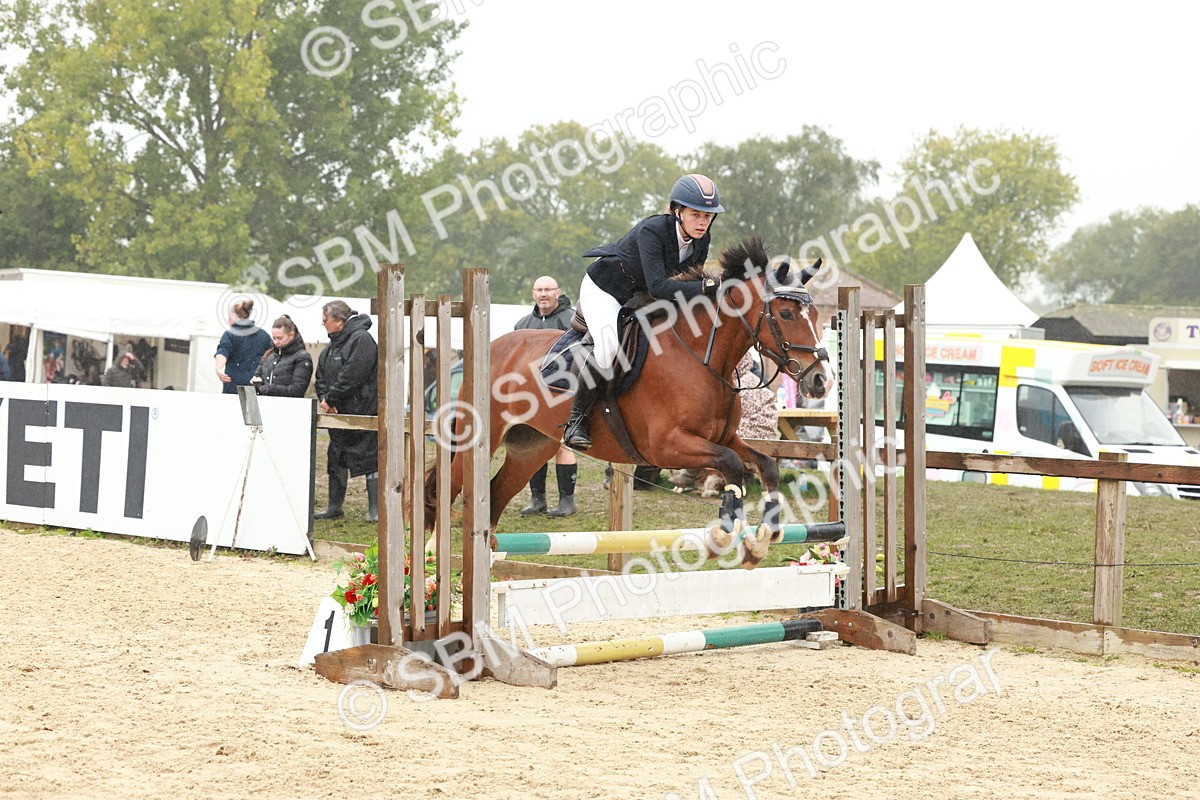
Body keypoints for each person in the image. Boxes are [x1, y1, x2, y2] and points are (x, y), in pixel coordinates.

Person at [564, 173, 723, 450]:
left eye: (708, 216)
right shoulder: (654, 230)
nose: (702, 222)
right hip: (606, 289)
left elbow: (686, 283)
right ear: (678, 211)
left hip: (640, 296)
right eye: (696, 214)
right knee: (609, 347)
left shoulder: (702, 239)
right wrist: (708, 287)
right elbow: (661, 286)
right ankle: (576, 420)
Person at [513, 276, 580, 517]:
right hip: (532, 396)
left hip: (565, 393)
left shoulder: (573, 320)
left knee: (561, 445)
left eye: (548, 290)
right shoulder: (523, 324)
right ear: (533, 293)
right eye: (539, 290)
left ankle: (566, 502)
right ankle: (537, 499)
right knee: (534, 443)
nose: (543, 294)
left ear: (558, 292)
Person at [314, 300, 379, 522]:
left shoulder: (362, 340)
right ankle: (334, 507)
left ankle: (375, 510)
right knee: (336, 457)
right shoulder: (331, 346)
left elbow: (353, 374)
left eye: (326, 320)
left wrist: (332, 397)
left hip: (364, 411)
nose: (322, 324)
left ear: (339, 322)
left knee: (371, 459)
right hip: (338, 415)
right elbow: (320, 376)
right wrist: (325, 399)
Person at [214, 299, 272, 395]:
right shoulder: (263, 335)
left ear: (234, 316)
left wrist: (218, 368)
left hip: (233, 387)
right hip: (256, 386)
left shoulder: (229, 335)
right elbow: (272, 353)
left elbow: (223, 351)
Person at [251, 314, 314, 398]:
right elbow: (257, 378)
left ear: (291, 335)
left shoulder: (302, 357)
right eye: (274, 338)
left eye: (280, 338)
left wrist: (268, 389)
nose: (276, 342)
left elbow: (298, 390)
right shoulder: (269, 355)